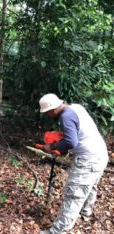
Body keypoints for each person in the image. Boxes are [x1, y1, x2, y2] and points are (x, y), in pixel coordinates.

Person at [38, 94, 108, 234]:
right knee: (90, 186)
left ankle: (58, 230)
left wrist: (51, 147)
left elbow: (71, 142)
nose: (48, 116)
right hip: (100, 154)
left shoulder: (65, 117)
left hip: (88, 160)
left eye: (47, 113)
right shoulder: (76, 107)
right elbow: (76, 133)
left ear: (52, 110)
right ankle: (85, 212)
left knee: (74, 194)